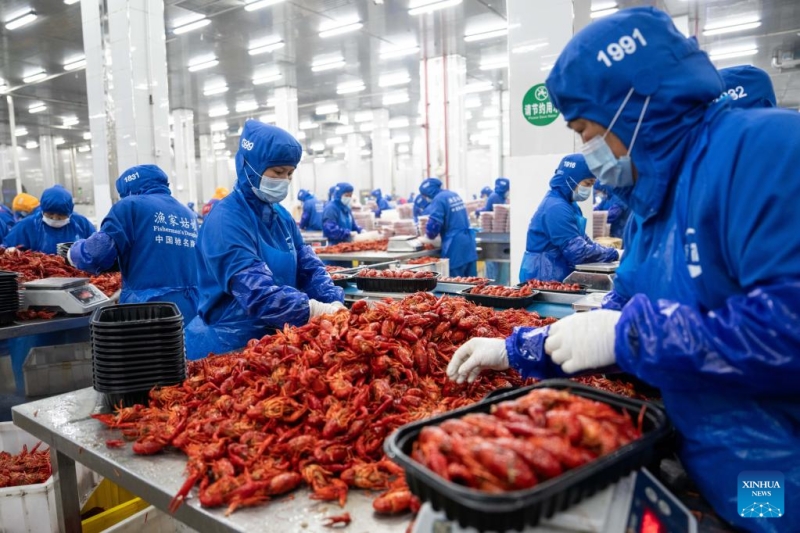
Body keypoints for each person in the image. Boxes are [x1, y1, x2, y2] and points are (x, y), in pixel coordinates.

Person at [447, 7, 800, 532]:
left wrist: (629, 335)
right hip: (701, 460)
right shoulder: (651, 205)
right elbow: (620, 312)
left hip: (775, 477)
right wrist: (518, 350)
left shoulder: (768, 150)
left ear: (632, 107)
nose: (589, 154)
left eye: (587, 130)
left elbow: (786, 328)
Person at [186, 121, 344, 360]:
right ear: (249, 166)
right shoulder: (225, 220)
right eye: (278, 173)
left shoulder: (281, 217)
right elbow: (256, 293)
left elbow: (309, 267)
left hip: (278, 341)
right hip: (228, 347)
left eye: (290, 173)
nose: (285, 181)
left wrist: (332, 300)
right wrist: (313, 310)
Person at [68, 165, 199, 322]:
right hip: (190, 307)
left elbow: (97, 253)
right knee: (181, 346)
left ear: (128, 189)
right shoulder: (188, 214)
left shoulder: (130, 206)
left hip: (147, 309)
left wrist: (73, 252)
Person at [519, 155, 618, 283]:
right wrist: (615, 254)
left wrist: (611, 251)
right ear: (571, 179)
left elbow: (584, 241)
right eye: (587, 183)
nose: (589, 189)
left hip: (556, 274)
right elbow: (578, 251)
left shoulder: (570, 205)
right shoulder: (556, 207)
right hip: (543, 277)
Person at [3, 185, 95, 254]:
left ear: (70, 212)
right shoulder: (27, 226)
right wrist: (10, 251)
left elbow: (96, 247)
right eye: (50, 213)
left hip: (78, 275)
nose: (55, 218)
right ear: (42, 209)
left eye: (61, 215)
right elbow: (6, 248)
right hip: (38, 278)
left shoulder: (82, 224)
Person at [419, 177, 477, 277]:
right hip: (468, 243)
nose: (425, 199)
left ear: (428, 192)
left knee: (455, 285)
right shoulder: (453, 194)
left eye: (424, 196)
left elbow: (433, 227)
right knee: (472, 285)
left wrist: (426, 238)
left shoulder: (439, 199)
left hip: (455, 246)